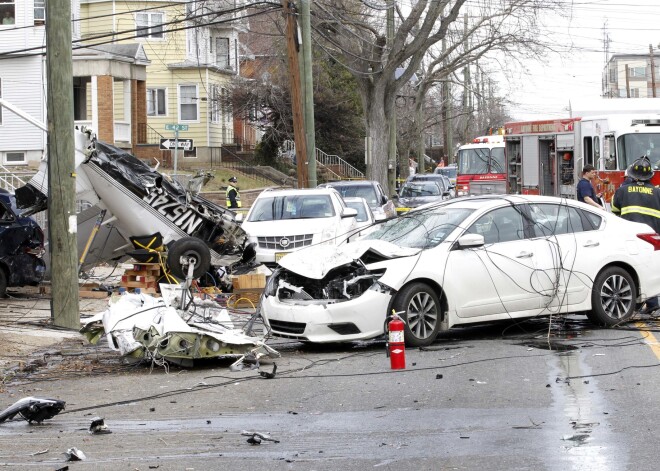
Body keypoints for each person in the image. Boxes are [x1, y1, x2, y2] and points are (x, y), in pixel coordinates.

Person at [611, 156, 660, 314]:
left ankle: (635, 303)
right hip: (652, 237)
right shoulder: (657, 192)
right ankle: (652, 302)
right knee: (650, 268)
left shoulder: (622, 190)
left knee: (631, 268)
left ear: (632, 175)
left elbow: (614, 211)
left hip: (630, 236)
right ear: (649, 176)